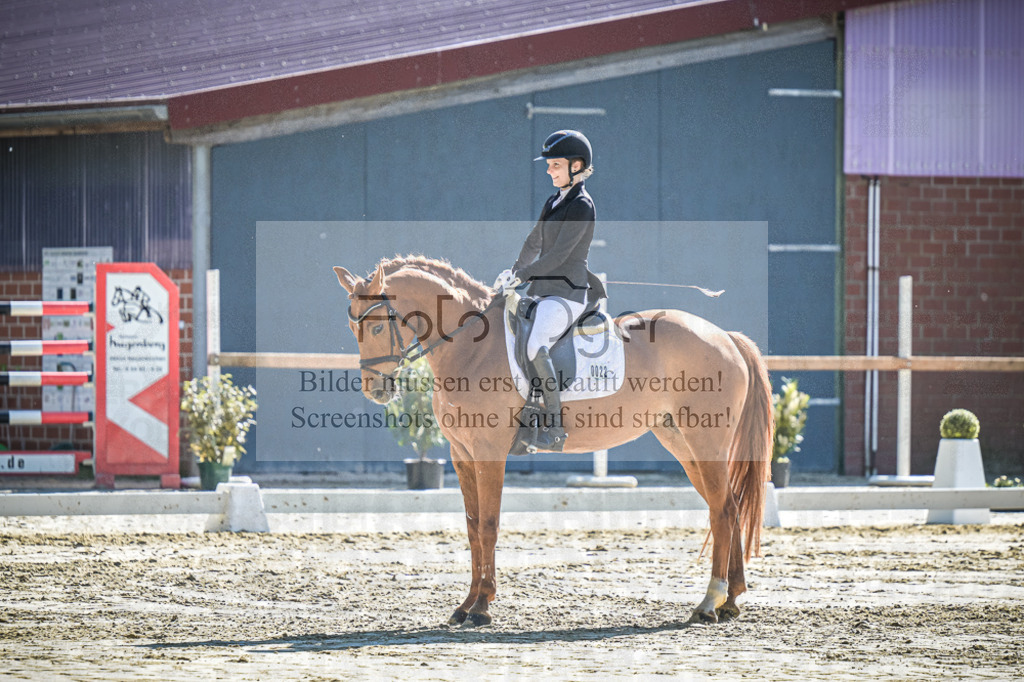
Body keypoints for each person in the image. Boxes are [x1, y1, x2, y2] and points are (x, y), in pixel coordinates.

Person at [493, 129, 607, 452]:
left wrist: (525, 275)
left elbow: (558, 257)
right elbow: (534, 242)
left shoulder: (582, 206)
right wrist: (513, 272)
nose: (548, 170)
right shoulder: (554, 201)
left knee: (535, 344)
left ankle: (553, 428)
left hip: (567, 296)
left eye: (555, 165)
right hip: (544, 292)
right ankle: (526, 412)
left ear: (576, 166)